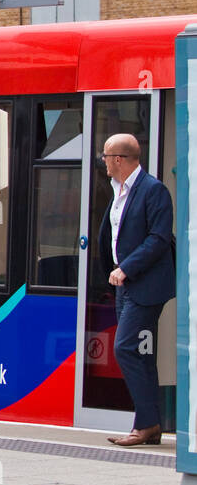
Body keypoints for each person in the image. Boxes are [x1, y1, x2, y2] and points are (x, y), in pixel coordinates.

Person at [97, 133, 175, 447]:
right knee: (141, 354)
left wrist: (126, 268)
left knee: (126, 348)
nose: (103, 161)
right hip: (124, 287)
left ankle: (147, 424)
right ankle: (148, 425)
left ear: (119, 159)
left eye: (105, 156)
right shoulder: (118, 191)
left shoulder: (153, 190)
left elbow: (158, 238)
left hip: (144, 286)